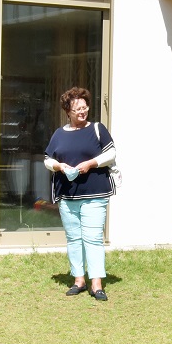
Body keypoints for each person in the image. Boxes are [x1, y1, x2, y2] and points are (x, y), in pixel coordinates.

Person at [45, 87, 117, 301]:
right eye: (78, 109)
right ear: (68, 110)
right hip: (67, 196)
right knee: (74, 238)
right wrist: (59, 166)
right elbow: (48, 159)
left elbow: (111, 153)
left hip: (95, 193)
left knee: (93, 238)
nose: (82, 112)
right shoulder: (59, 134)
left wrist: (91, 163)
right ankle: (79, 280)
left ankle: (97, 284)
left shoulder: (97, 129)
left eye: (85, 107)